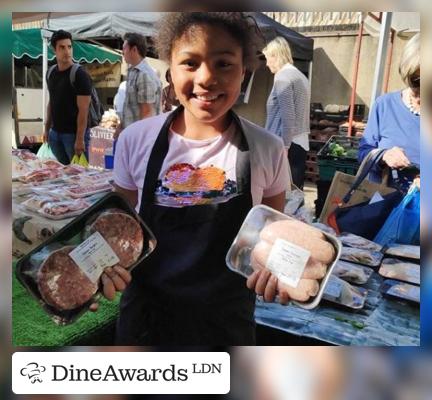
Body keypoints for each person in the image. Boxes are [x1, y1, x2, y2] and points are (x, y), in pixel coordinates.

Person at [92, 12, 293, 345]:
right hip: (146, 322)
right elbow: (119, 226)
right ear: (169, 69)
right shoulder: (134, 140)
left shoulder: (268, 149)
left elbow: (272, 237)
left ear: (244, 71)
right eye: (190, 62)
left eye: (224, 64)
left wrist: (276, 270)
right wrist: (101, 265)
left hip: (226, 326)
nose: (206, 78)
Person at [359, 33, 420, 188]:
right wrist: (384, 155)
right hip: (384, 204)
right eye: (416, 81)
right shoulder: (384, 105)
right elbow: (363, 153)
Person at [263, 36, 311, 190]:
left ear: (276, 56)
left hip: (285, 144)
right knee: (295, 195)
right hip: (300, 142)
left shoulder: (283, 77)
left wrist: (284, 146)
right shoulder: (300, 76)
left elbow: (288, 115)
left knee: (281, 196)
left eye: (267, 58)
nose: (266, 63)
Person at [43, 29, 92, 164]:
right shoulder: (51, 73)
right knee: (62, 176)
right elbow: (52, 102)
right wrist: (47, 129)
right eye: (62, 47)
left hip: (73, 136)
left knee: (77, 178)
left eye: (69, 47)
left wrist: (80, 139)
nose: (67, 51)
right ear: (54, 50)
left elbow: (84, 110)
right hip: (55, 134)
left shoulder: (80, 74)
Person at [114, 32, 162, 139]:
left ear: (134, 49)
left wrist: (139, 141)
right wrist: (121, 127)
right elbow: (129, 106)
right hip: (132, 134)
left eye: (124, 48)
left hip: (143, 137)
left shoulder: (144, 74)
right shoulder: (132, 71)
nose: (122, 52)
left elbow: (147, 113)